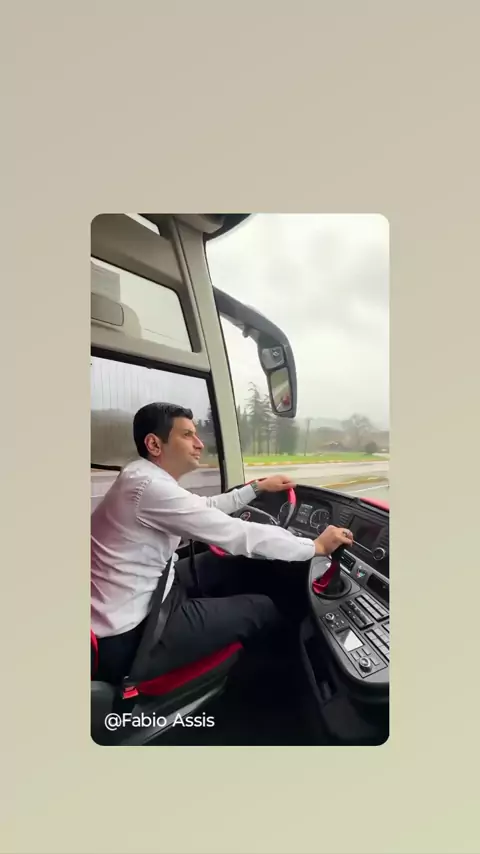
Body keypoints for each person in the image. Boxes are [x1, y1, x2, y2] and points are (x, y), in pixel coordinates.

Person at [91, 402, 354, 685]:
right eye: (187, 435)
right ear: (154, 444)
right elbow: (238, 534)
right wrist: (315, 547)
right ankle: (277, 687)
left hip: (143, 596)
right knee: (262, 609)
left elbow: (204, 507)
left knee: (223, 566)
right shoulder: (150, 488)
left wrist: (255, 489)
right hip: (132, 635)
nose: (199, 443)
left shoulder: (140, 475)